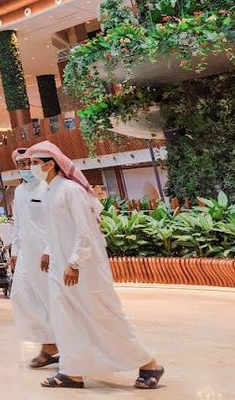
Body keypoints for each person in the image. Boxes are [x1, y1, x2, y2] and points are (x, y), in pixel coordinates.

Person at [25, 141, 164, 389]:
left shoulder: (71, 190)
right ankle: (72, 371)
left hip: (83, 269)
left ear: (50, 165)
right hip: (59, 268)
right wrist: (48, 252)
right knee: (65, 319)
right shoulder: (49, 191)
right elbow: (56, 230)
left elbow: (85, 231)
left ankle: (149, 364)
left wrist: (75, 262)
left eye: (34, 163)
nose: (31, 168)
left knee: (102, 316)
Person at [10, 147, 59, 369]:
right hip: (25, 254)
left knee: (50, 298)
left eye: (29, 163)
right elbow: (18, 224)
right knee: (21, 296)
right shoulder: (19, 191)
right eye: (21, 164)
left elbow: (54, 223)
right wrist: (14, 252)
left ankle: (56, 345)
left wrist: (49, 250)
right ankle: (48, 342)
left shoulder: (47, 187)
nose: (26, 168)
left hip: (47, 254)